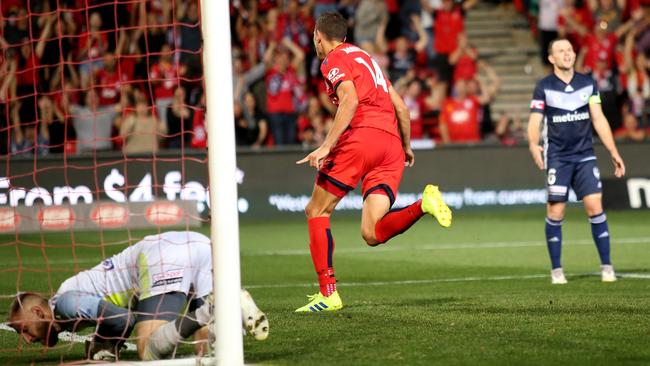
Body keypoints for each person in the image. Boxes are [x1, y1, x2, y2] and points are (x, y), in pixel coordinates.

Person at [294, 12, 452, 313]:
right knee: (372, 232)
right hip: (390, 144)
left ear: (318, 36)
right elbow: (402, 109)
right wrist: (405, 146)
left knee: (316, 210)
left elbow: (350, 100)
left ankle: (328, 293)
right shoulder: (367, 58)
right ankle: (424, 204)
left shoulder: (333, 60)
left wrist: (326, 145)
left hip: (361, 138)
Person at [7, 231, 269, 361]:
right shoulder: (70, 303)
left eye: (25, 330)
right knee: (207, 351)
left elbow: (123, 319)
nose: (28, 339)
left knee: (148, 351)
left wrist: (102, 342)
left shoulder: (65, 302)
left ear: (39, 312)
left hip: (162, 256)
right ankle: (230, 305)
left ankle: (213, 308)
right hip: (196, 243)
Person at [527, 38, 626, 285]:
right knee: (556, 211)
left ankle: (607, 266)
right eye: (561, 51)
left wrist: (613, 150)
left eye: (569, 50)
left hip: (585, 156)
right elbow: (535, 120)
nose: (567, 54)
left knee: (595, 207)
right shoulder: (544, 87)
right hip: (558, 158)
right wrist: (532, 144)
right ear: (551, 58)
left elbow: (599, 119)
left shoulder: (588, 84)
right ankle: (557, 270)